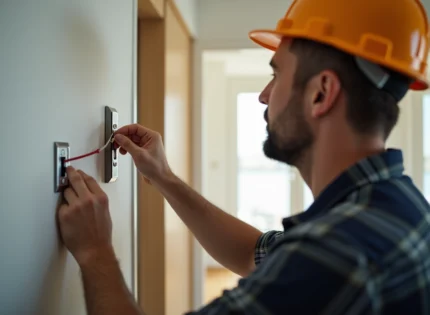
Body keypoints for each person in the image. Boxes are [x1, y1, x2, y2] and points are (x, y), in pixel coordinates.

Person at [57, 0, 430, 314]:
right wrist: (165, 178)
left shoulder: (336, 254)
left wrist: (95, 252)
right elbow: (253, 253)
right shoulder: (398, 205)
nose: (264, 96)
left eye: (277, 73)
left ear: (321, 93)